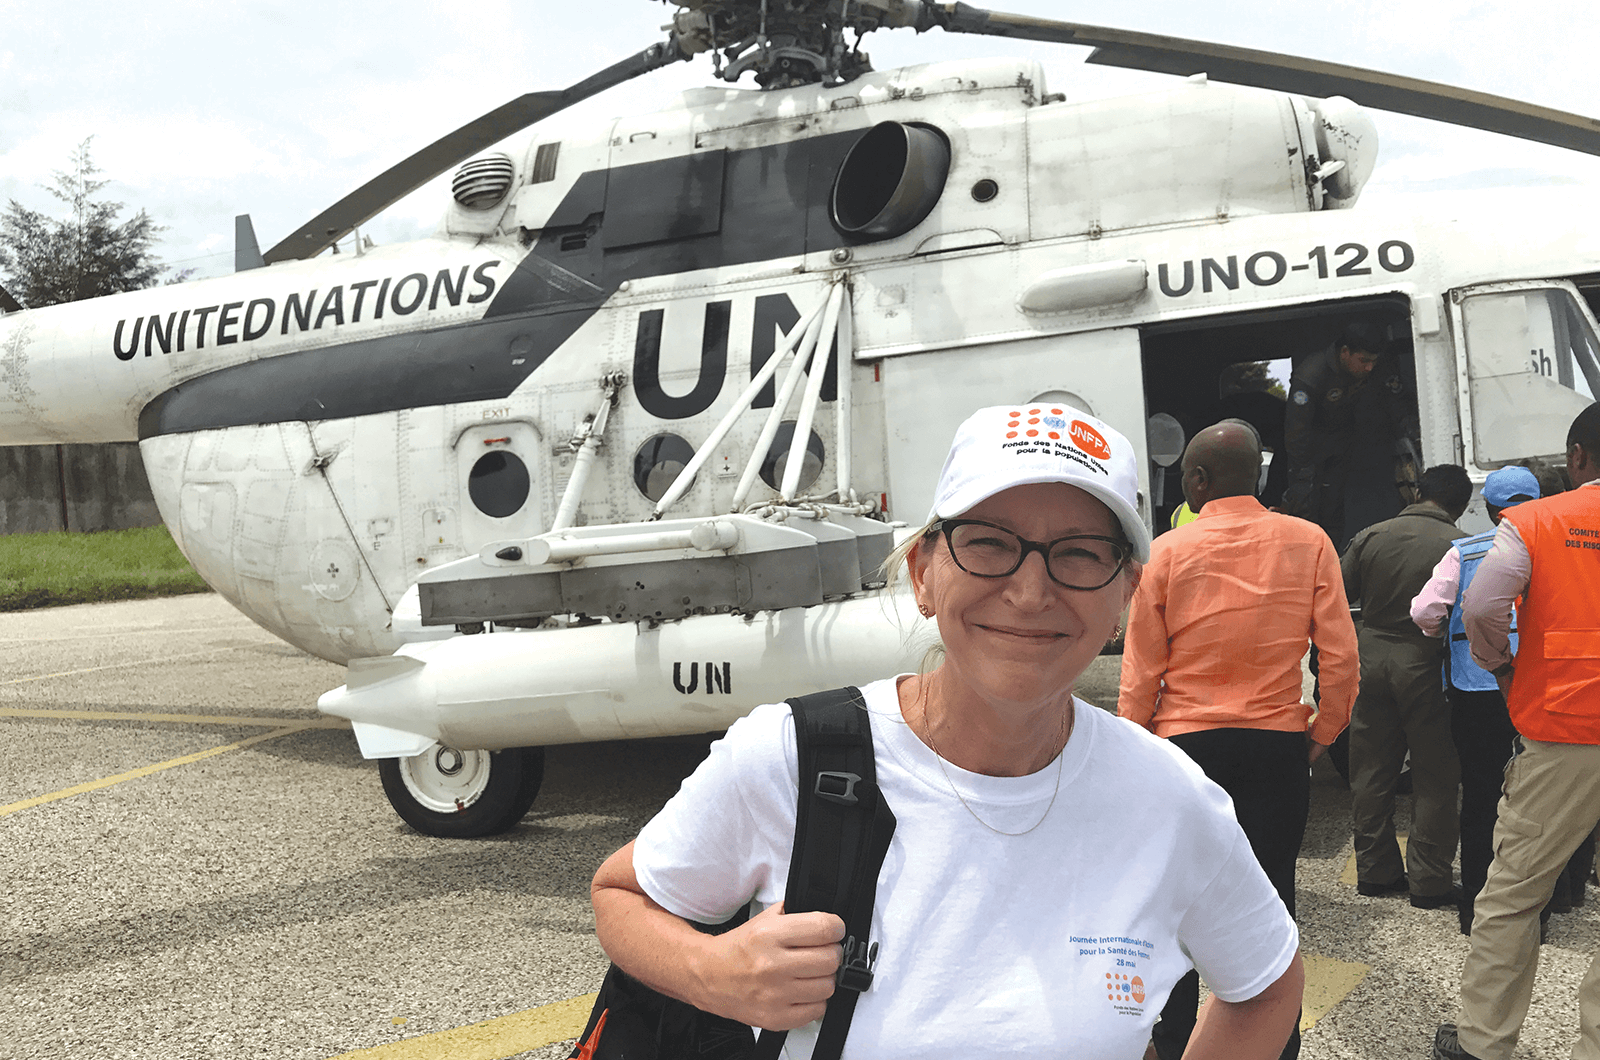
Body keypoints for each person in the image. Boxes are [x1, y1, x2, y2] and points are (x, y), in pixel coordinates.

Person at [589, 405, 1305, 1059]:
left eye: (1081, 552)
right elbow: (622, 895)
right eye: (990, 543)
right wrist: (712, 971)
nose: (1030, 591)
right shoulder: (793, 756)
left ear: (1125, 593)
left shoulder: (1168, 796)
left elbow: (1268, 983)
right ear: (925, 574)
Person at [1119, 419, 1358, 1060]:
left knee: (1173, 900)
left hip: (1184, 749)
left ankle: (1171, 1044)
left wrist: (1133, 748)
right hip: (1276, 745)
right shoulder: (1309, 542)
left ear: (1196, 483)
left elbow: (1142, 669)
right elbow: (1339, 656)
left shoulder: (1168, 553)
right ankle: (1274, 1045)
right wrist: (1322, 733)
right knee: (1271, 898)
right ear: (1257, 475)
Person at [1434, 403, 1600, 1060]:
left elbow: (1481, 606)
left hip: (1563, 732)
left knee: (1513, 892)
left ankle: (1482, 1043)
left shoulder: (1537, 522)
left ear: (1578, 458)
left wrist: (1501, 667)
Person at [1410, 467, 1541, 935]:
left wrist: (1446, 634)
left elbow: (1426, 611)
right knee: (1539, 799)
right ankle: (1544, 908)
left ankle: (1476, 909)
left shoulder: (1463, 551)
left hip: (1476, 691)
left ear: (1486, 508)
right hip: (1539, 690)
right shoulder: (1551, 547)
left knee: (1483, 797)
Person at [1340, 464, 1472, 907]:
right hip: (1427, 666)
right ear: (1462, 505)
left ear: (1418, 492)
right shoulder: (1459, 546)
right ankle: (1429, 881)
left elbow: (1339, 593)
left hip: (1371, 659)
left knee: (1371, 769)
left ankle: (1374, 872)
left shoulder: (1372, 535)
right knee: (1435, 773)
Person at [1283, 320, 1413, 550]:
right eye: (1363, 361)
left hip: (1343, 442)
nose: (1369, 368)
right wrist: (1303, 473)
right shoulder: (1311, 374)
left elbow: (1397, 405)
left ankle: (1333, 561)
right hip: (1310, 450)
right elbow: (1297, 432)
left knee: (1334, 509)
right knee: (1305, 510)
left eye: (1374, 361)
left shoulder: (1375, 366)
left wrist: (1409, 440)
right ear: (1345, 353)